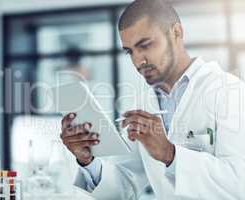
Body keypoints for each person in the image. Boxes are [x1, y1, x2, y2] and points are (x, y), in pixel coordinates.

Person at [60, 0, 245, 199]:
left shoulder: (228, 91)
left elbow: (238, 184)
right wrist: (88, 161)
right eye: (130, 51)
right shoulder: (141, 104)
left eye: (146, 45)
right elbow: (125, 184)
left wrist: (170, 154)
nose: (138, 61)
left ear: (176, 33)